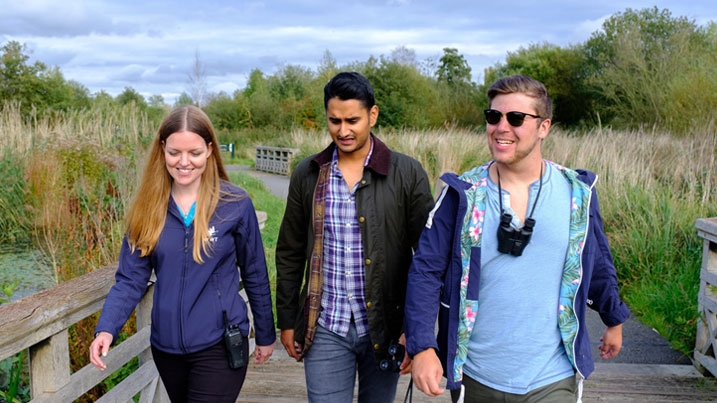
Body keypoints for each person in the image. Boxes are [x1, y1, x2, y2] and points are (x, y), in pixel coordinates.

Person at [405, 75, 630, 402]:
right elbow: (425, 272)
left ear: (544, 127)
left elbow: (595, 261)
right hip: (477, 376)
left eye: (516, 118)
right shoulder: (461, 196)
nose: (501, 127)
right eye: (493, 117)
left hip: (554, 376)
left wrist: (613, 317)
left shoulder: (577, 195)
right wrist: (423, 346)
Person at [89, 105, 276, 402]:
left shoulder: (235, 204)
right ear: (162, 149)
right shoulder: (146, 209)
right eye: (175, 152)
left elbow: (254, 272)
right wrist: (106, 329)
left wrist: (266, 334)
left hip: (220, 343)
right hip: (166, 349)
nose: (184, 162)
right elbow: (130, 279)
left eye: (195, 153)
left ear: (210, 150)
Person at [275, 71, 435, 402]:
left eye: (353, 120)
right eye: (335, 120)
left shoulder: (407, 173)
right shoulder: (308, 174)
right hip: (325, 326)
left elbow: (428, 259)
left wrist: (416, 330)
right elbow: (289, 251)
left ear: (372, 115)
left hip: (386, 326)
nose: (343, 130)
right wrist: (287, 319)